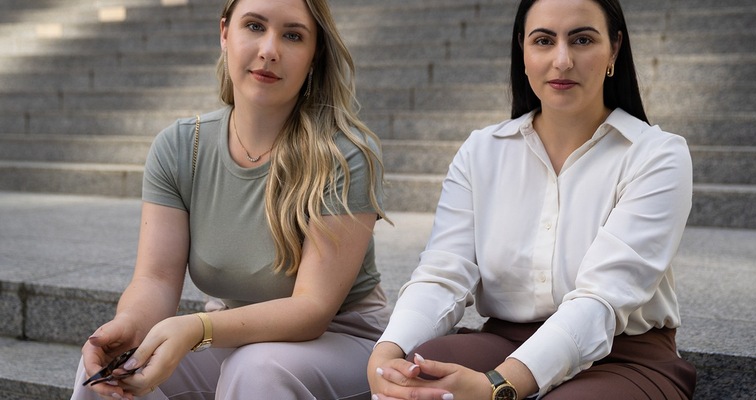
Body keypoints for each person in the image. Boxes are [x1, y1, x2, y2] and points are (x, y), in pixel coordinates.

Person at [368, 0, 697, 398]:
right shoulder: (482, 151)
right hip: (504, 340)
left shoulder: (657, 154)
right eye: (544, 40)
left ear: (614, 49)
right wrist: (385, 354)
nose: (562, 60)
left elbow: (603, 299)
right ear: (522, 50)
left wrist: (497, 386)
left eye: (582, 40)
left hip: (625, 356)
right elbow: (443, 274)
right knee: (416, 376)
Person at [71, 0, 391, 398]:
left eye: (292, 35)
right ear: (225, 33)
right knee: (105, 373)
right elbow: (155, 279)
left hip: (343, 340)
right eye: (254, 26)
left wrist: (197, 329)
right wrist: (129, 325)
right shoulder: (180, 147)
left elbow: (311, 310)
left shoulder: (343, 156)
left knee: (255, 369)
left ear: (314, 55)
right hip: (235, 335)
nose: (269, 50)